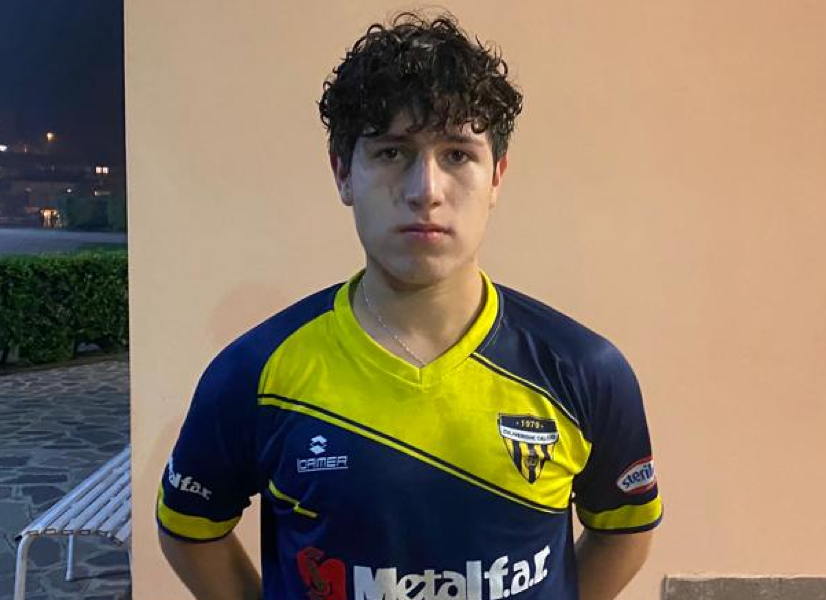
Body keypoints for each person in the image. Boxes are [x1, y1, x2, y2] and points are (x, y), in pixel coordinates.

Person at [157, 11, 662, 600]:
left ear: (497, 176)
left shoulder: (584, 370)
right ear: (343, 174)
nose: (426, 190)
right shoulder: (256, 373)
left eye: (458, 155)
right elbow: (192, 528)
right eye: (392, 152)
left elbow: (624, 530)